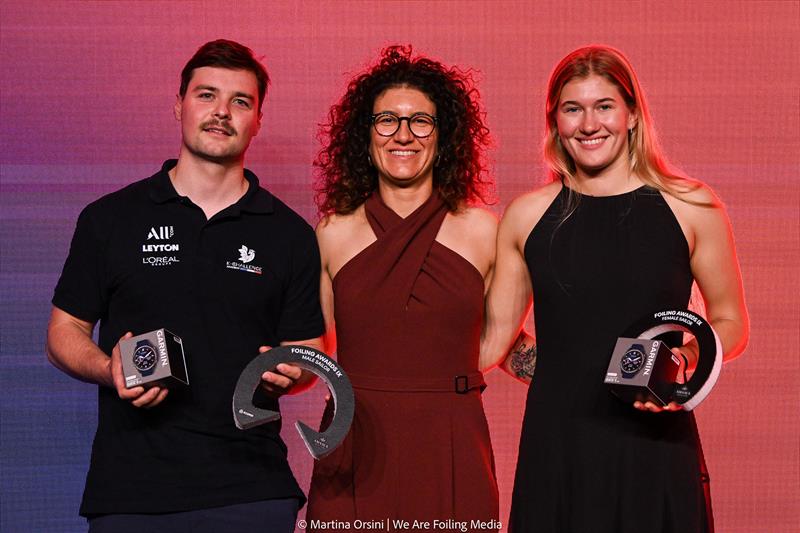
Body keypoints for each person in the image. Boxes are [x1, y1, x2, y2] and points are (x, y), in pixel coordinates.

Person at [46, 39, 324, 533]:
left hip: (252, 492)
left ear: (259, 119)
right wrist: (108, 368)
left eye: (241, 101)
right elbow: (64, 330)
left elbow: (309, 351)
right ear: (178, 106)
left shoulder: (290, 235)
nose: (222, 112)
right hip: (130, 492)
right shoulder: (109, 219)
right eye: (206, 95)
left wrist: (293, 373)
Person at [481, 45, 749, 533]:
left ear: (631, 114)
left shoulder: (691, 205)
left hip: (656, 438)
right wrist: (568, 375)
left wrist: (682, 364)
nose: (589, 124)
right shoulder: (527, 215)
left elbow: (731, 321)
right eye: (572, 109)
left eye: (604, 106)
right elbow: (495, 339)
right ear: (554, 121)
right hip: (557, 442)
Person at [306, 45, 499, 530]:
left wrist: (581, 374)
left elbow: (503, 338)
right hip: (354, 437)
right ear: (365, 135)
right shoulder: (331, 231)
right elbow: (310, 349)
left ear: (444, 136)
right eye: (387, 120)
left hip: (451, 437)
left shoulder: (484, 230)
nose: (403, 135)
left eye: (421, 122)